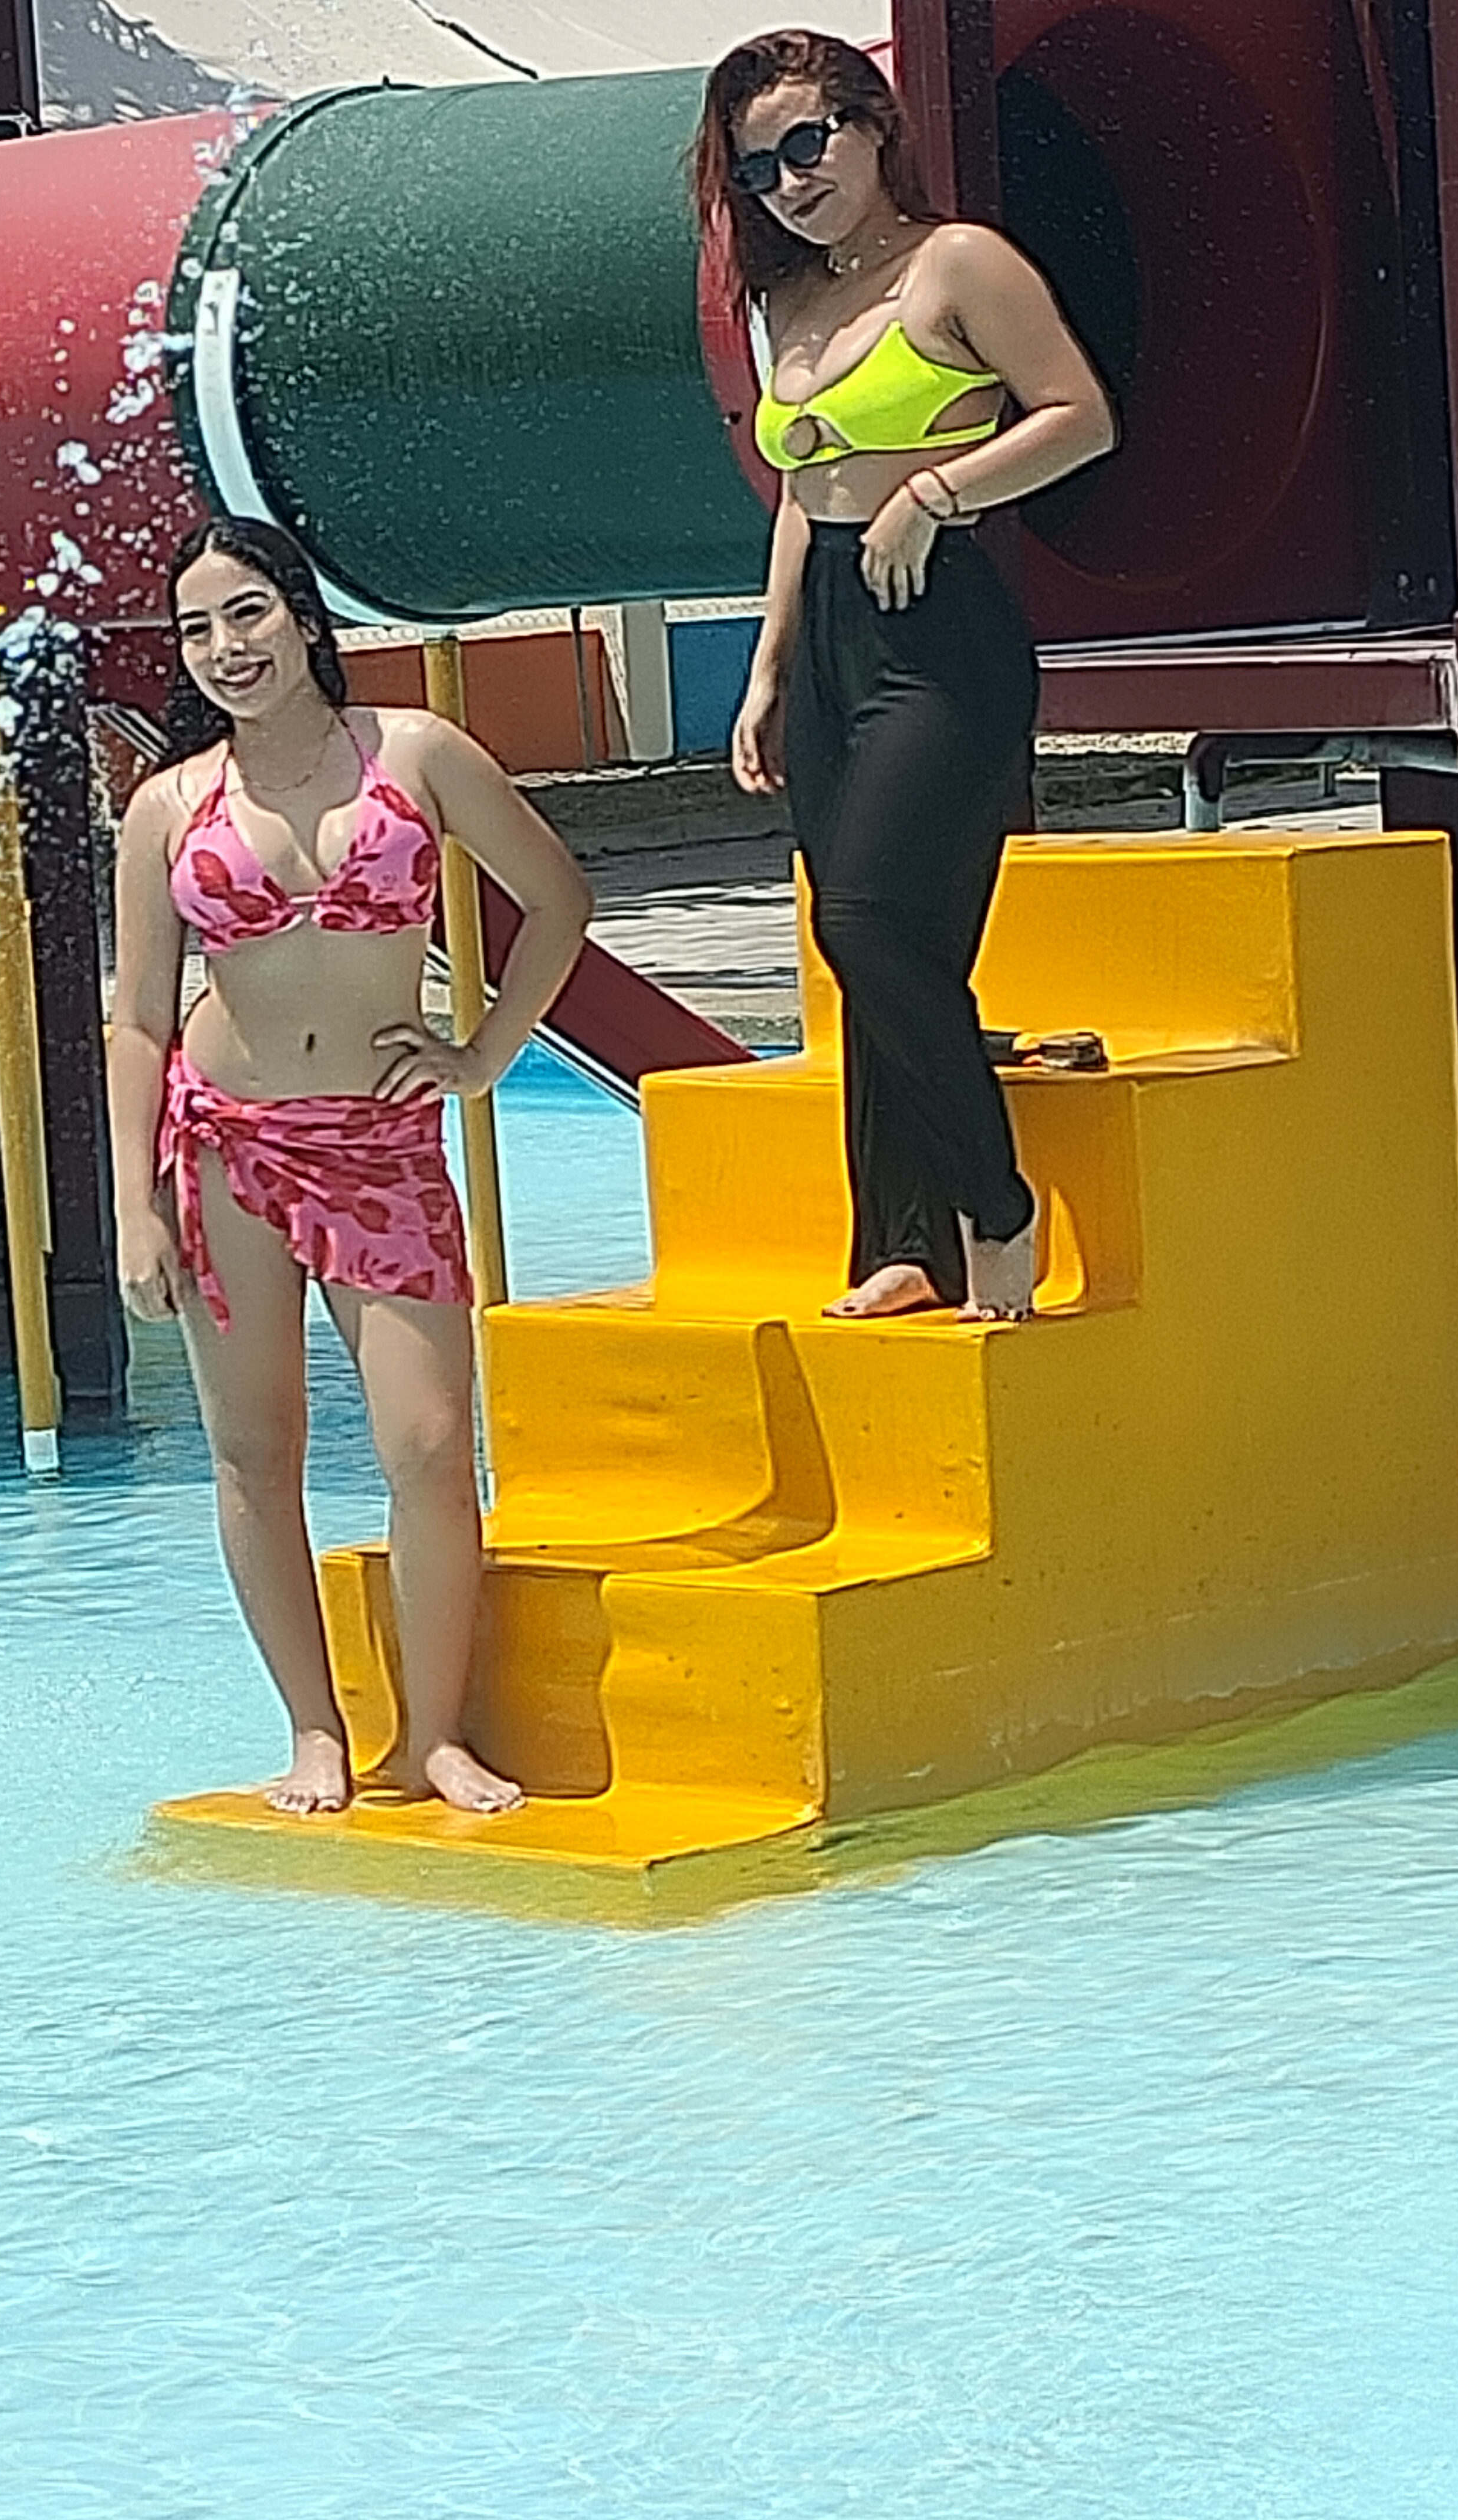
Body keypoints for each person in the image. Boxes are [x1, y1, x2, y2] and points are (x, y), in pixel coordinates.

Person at [109, 519, 591, 1817]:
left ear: (303, 617)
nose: (226, 648)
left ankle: (435, 1737)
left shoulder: (415, 754)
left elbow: (557, 897)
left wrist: (484, 1055)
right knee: (253, 1452)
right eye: (198, 628)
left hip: (379, 1145)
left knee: (428, 1444)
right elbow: (139, 1018)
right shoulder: (168, 808)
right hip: (228, 1146)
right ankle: (314, 1732)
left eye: (248, 614)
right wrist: (133, 1207)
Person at [695, 30, 1115, 1318]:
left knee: (869, 922)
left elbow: (1079, 416)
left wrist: (938, 492)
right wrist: (768, 667)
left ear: (872, 128)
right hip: (829, 630)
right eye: (759, 167)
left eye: (808, 144)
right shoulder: (784, 301)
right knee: (878, 951)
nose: (791, 182)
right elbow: (799, 491)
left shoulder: (959, 263)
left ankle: (999, 1208)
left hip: (941, 632)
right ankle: (904, 1246)